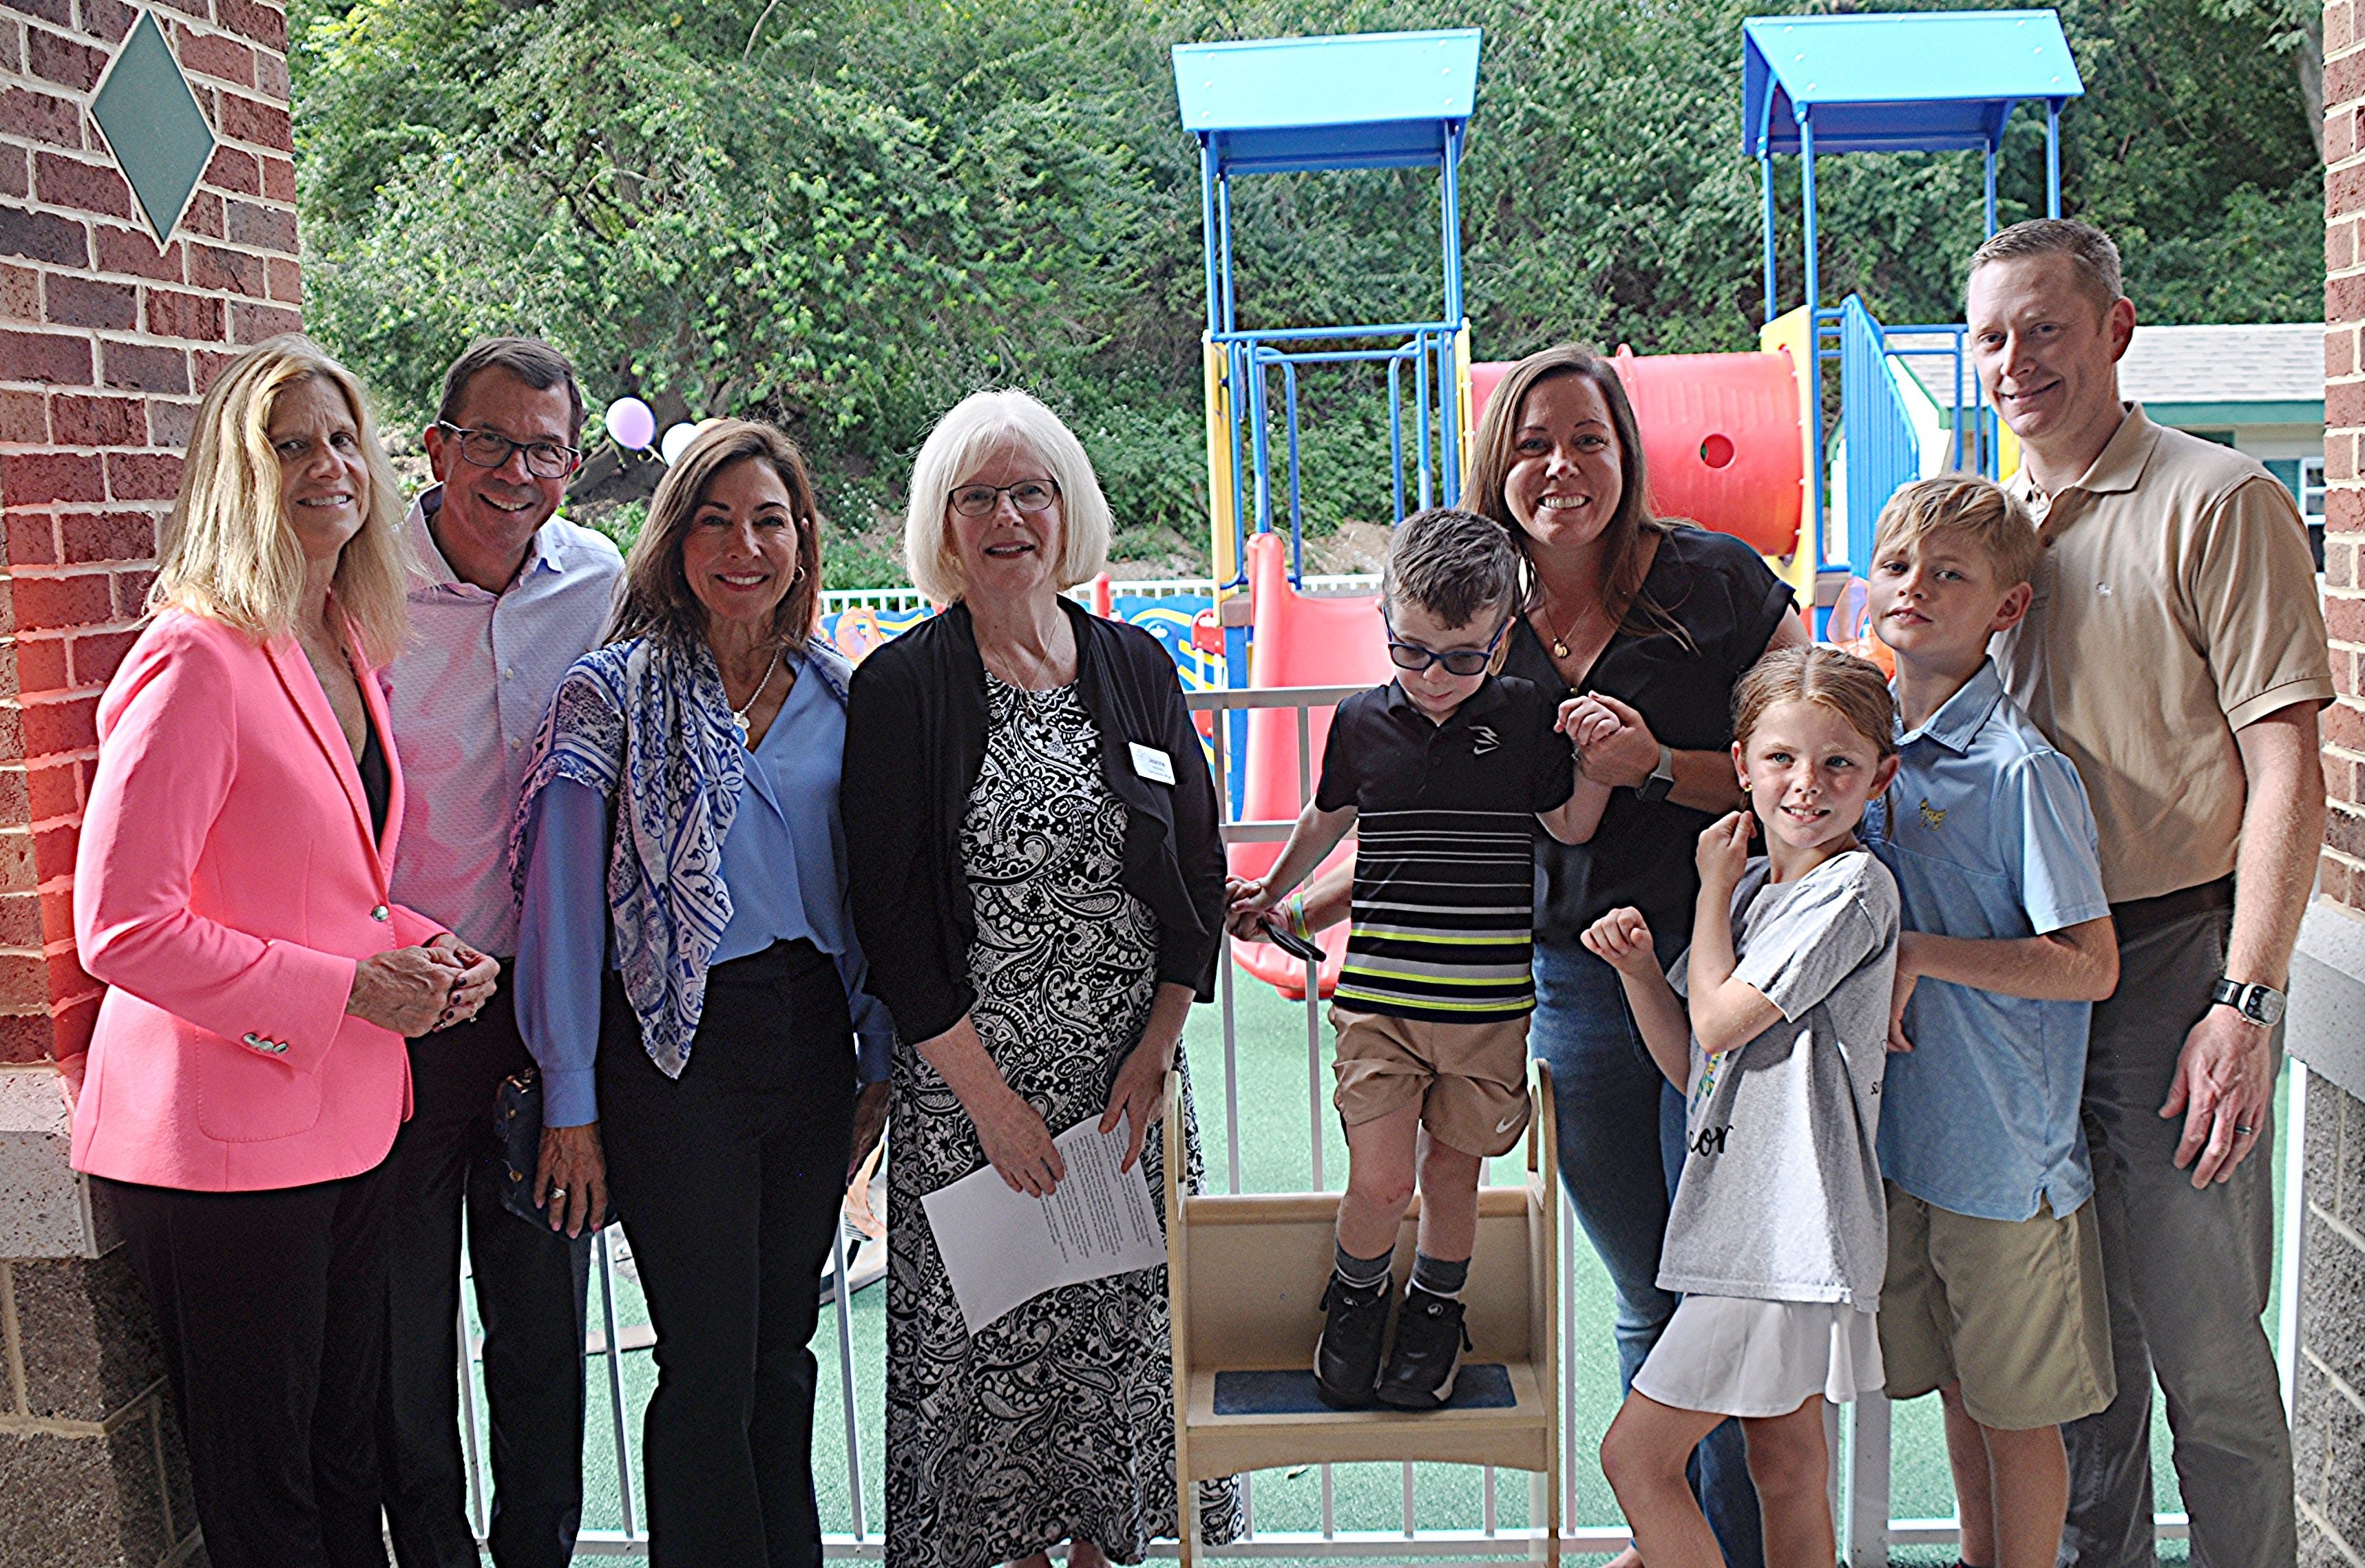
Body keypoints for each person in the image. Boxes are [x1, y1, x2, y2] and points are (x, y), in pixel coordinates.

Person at [1281, 344, 1807, 1558]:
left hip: (1720, 960)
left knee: (1723, 1274)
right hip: (1566, 973)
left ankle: (1743, 1531)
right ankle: (1684, 1537)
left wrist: (1658, 767)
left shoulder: (1717, 582)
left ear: (1626, 448)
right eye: (1530, 442)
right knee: (1643, 1276)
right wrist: (1297, 906)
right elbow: (1423, 816)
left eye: (1586, 437)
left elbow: (1814, 763)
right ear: (1495, 465)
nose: (1560, 465)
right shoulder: (1475, 619)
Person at [68, 335, 499, 1568]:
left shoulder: (341, 642)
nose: (329, 463)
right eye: (291, 441)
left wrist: (429, 948)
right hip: (222, 1151)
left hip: (347, 1119)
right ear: (234, 472)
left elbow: (324, 884)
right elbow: (123, 923)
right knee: (269, 1503)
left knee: (345, 1460)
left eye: (342, 436)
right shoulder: (194, 655)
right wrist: (351, 988)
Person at [1967, 218, 2331, 1568]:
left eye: (2044, 328)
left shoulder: (2213, 498)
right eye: (1993, 334)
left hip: (2178, 964)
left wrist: (2244, 995)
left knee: (2210, 1371)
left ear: (2114, 331)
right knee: (2079, 1376)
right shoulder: (1984, 526)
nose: (2015, 361)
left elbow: (2285, 763)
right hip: (2030, 992)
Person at [841, 388, 1241, 1568]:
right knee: (997, 1375)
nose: (1008, 516)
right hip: (978, 1103)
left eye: (1031, 491)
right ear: (942, 523)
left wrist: (1158, 1049)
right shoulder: (901, 688)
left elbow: (1199, 864)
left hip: (1128, 1092)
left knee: (1123, 1361)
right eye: (978, 496)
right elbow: (893, 919)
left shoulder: (1132, 665)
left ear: (1068, 511)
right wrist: (992, 1106)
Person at [511, 419, 894, 1568]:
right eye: (715, 519)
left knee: (785, 1346)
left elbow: (870, 890)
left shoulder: (838, 691)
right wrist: (572, 1099)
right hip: (672, 1049)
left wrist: (875, 1060)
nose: (744, 545)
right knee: (709, 1360)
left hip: (811, 1037)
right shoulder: (610, 696)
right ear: (675, 539)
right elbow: (566, 914)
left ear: (803, 539)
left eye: (769, 519)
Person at [1228, 507, 1610, 1410]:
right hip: (1381, 1004)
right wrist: (1275, 892)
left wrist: (1593, 755)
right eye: (1414, 651)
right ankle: (1355, 1299)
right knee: (1384, 1175)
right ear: (1385, 618)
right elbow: (1325, 820)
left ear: (1502, 636)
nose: (1436, 678)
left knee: (1451, 1173)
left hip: (1486, 1009)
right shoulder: (1362, 722)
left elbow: (1570, 824)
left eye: (1464, 656)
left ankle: (1436, 1310)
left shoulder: (1527, 719)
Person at [379, 337, 623, 1568]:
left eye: (544, 448)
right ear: (437, 446)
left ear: (573, 464)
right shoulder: (359, 580)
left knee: (540, 1335)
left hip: (544, 1022)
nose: (515, 471)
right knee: (403, 1336)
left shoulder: (600, 580)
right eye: (490, 440)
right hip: (402, 1020)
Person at [1584, 646, 1901, 1568]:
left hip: (1781, 1235)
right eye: (1782, 760)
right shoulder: (1768, 892)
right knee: (1785, 1460)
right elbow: (1694, 1063)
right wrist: (1645, 973)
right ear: (1744, 766)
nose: (1808, 785)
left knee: (1635, 1457)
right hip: (1762, 1231)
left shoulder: (1850, 890)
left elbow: (1720, 1019)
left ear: (1880, 777)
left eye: (1838, 763)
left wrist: (1711, 884)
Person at [1858, 475, 2121, 1568]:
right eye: (1897, 567)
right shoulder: (1864, 754)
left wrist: (1920, 953)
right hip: (1908, 1146)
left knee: (2020, 1418)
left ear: (2006, 609)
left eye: (1950, 574)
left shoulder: (2023, 773)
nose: (1915, 588)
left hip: (2008, 1164)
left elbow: (2090, 966)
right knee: (1961, 1389)